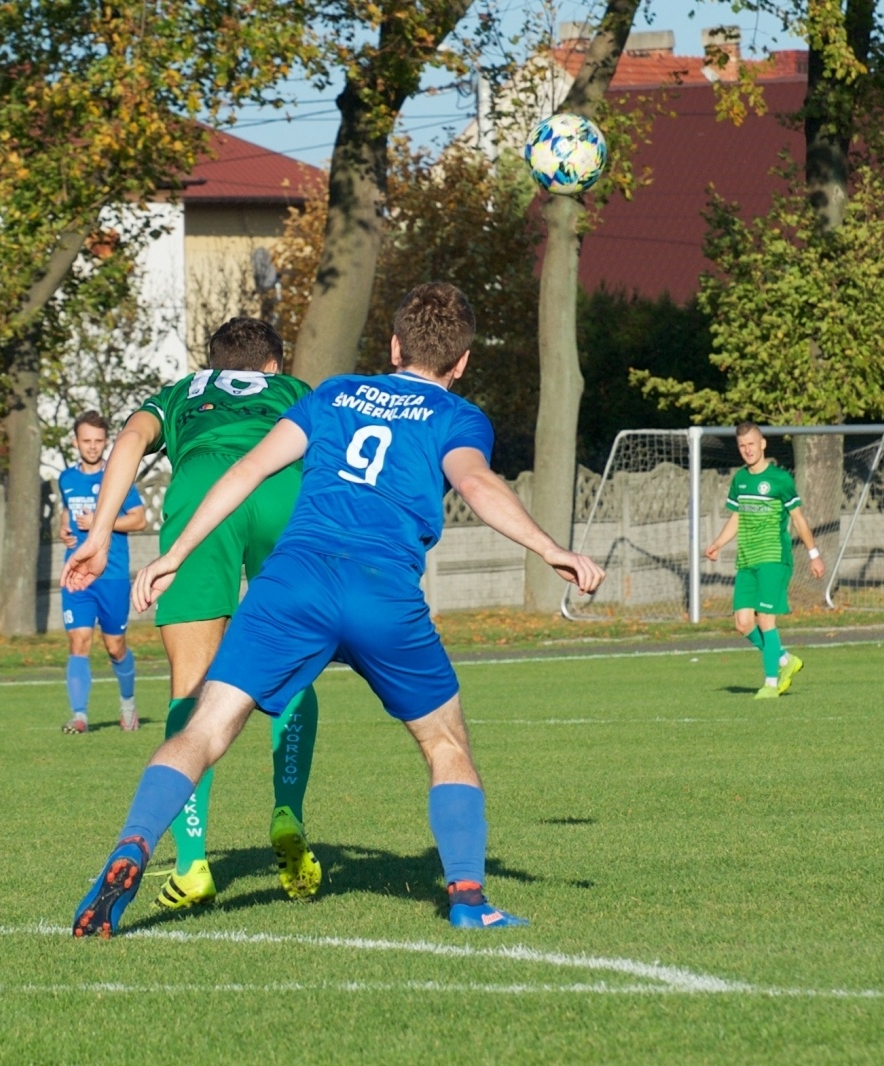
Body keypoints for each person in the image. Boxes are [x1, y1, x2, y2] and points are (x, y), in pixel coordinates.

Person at [70, 282, 604, 938]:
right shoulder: (458, 418)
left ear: (394, 345)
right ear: (461, 364)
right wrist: (550, 547)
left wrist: (175, 553)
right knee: (444, 742)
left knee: (203, 729)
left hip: (292, 584)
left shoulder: (334, 394)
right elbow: (475, 482)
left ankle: (132, 848)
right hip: (383, 593)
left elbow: (247, 470)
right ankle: (468, 896)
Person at [62, 317, 323, 908]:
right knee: (292, 670)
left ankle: (193, 863)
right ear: (273, 366)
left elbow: (127, 441)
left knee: (192, 685)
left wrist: (100, 533)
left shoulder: (183, 391)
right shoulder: (295, 392)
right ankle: (287, 813)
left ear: (212, 365)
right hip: (281, 487)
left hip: (204, 489)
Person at [703, 422, 826, 699]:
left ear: (762, 444)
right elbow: (737, 517)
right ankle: (785, 660)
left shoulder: (780, 480)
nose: (747, 450)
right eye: (742, 446)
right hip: (747, 560)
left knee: (765, 621)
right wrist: (718, 543)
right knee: (743, 623)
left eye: (751, 444)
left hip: (773, 558)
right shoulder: (740, 481)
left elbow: (798, 519)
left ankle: (771, 683)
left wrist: (814, 555)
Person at [56, 411, 147, 733]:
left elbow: (139, 519)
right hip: (77, 575)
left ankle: (128, 706)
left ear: (106, 442)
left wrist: (100, 522)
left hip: (111, 575)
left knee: (114, 647)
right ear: (75, 442)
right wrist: (63, 530)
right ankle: (79, 717)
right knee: (79, 642)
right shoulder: (66, 479)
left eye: (98, 441)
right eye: (86, 441)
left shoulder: (116, 477)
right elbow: (66, 513)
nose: (92, 447)